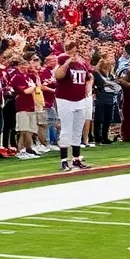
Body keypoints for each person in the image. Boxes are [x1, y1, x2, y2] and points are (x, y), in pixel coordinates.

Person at [53, 41, 93, 171]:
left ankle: (76, 158)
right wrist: (67, 62)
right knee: (66, 129)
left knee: (77, 130)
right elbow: (58, 75)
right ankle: (64, 160)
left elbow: (89, 77)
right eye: (73, 50)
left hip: (80, 99)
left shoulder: (81, 65)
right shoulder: (63, 59)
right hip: (65, 99)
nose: (75, 53)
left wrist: (88, 85)